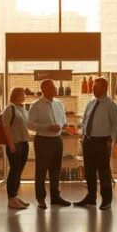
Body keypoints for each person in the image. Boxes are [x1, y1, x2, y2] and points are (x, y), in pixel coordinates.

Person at [75, 77, 117, 211]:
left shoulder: (111, 105)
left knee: (104, 172)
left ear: (104, 88)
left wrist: (110, 140)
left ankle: (106, 200)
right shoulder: (90, 103)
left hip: (103, 142)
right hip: (88, 141)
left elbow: (116, 125)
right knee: (89, 171)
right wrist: (83, 134)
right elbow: (84, 121)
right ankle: (91, 198)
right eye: (93, 87)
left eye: (95, 87)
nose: (92, 88)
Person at [27, 79, 71, 209]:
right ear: (44, 89)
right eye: (51, 87)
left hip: (57, 140)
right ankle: (40, 198)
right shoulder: (36, 105)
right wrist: (48, 127)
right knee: (41, 170)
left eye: (54, 87)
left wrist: (63, 126)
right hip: (43, 140)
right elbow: (30, 124)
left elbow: (63, 120)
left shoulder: (59, 103)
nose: (55, 89)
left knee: (55, 170)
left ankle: (55, 197)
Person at [1, 87, 30, 210]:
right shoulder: (10, 109)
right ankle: (10, 199)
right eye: (22, 94)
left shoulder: (23, 109)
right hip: (15, 144)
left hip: (24, 143)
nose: (24, 96)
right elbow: (6, 127)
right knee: (14, 171)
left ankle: (15, 196)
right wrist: (11, 144)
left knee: (19, 171)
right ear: (16, 95)